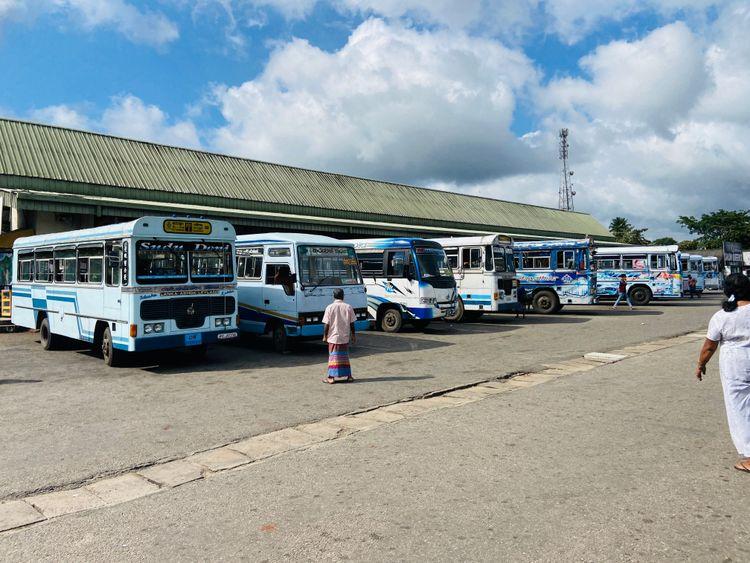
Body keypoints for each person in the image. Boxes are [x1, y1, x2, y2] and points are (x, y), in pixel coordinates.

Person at [695, 273, 750, 472]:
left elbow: (709, 346)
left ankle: (749, 456)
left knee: (740, 408)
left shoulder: (722, 316)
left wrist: (701, 364)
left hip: (735, 364)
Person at [322, 288, 357, 384]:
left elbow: (326, 324)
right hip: (344, 337)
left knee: (333, 358)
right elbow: (352, 323)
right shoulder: (348, 307)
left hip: (333, 337)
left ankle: (331, 377)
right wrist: (353, 335)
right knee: (344, 357)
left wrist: (325, 336)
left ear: (333, 296)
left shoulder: (329, 307)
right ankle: (349, 376)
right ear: (343, 296)